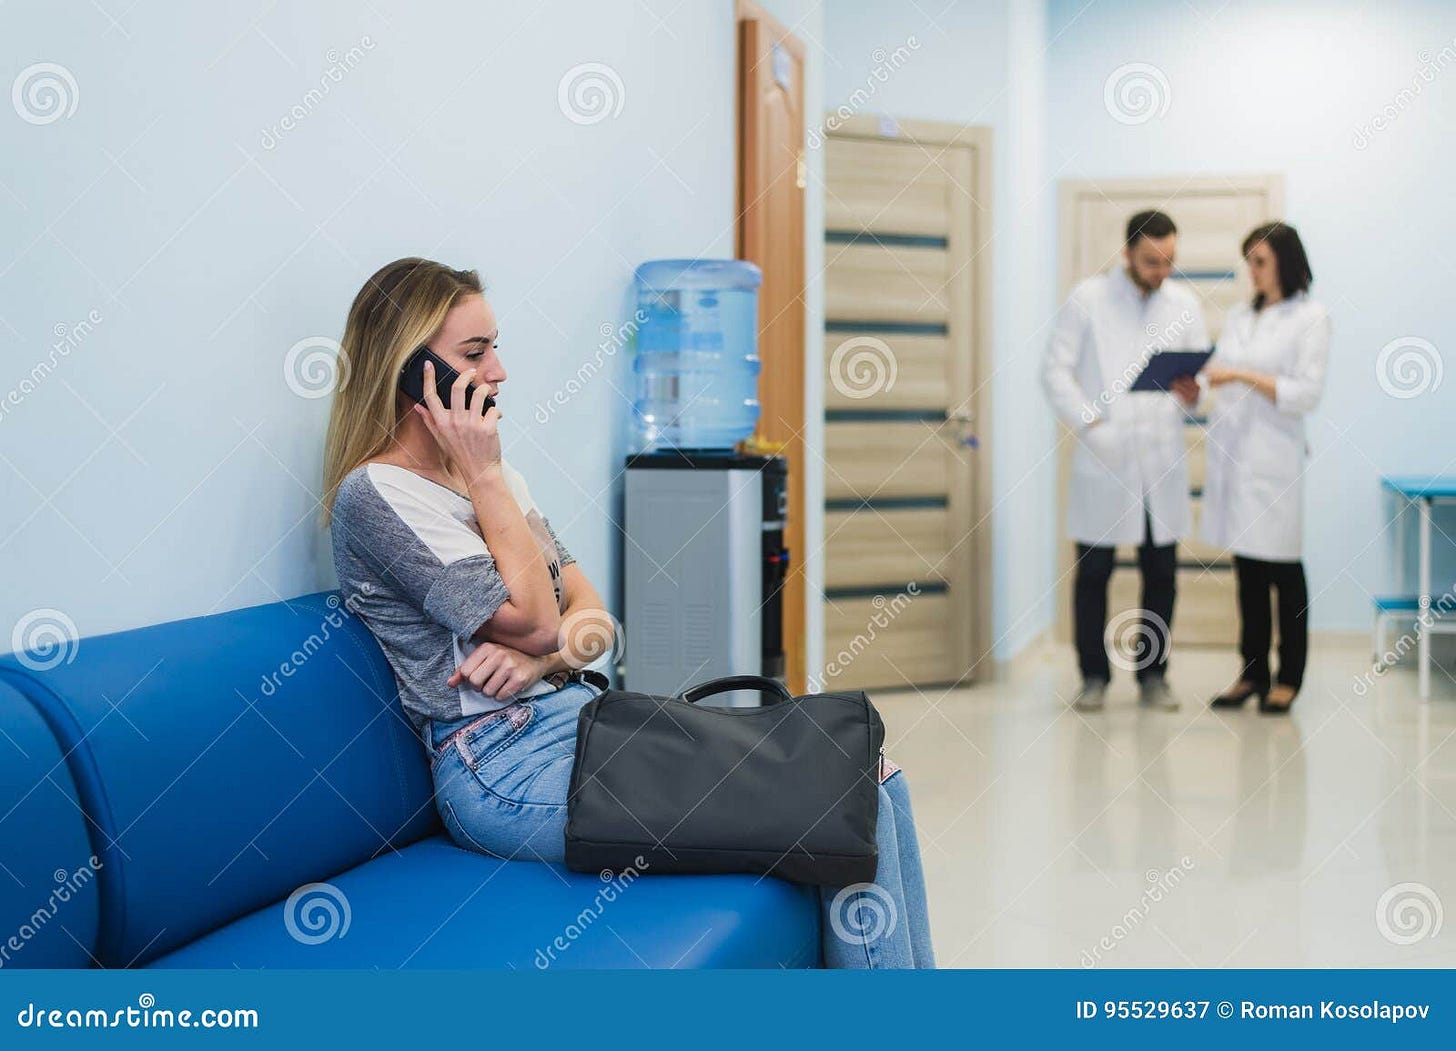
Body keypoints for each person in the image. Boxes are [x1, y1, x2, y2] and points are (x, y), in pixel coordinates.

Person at [320, 257, 935, 968]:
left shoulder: (496, 479)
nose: (499, 372)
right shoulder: (381, 495)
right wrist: (490, 484)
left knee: (872, 774)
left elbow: (594, 619)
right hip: (500, 767)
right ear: (411, 373)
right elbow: (545, 617)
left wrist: (540, 658)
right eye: (475, 352)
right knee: (834, 797)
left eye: (495, 346)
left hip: (584, 720)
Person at [1042, 210, 1209, 712]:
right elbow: (1056, 372)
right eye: (1152, 261)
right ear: (1128, 254)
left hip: (1160, 457)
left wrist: (1194, 392)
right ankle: (1093, 676)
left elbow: (1200, 386)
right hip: (1105, 457)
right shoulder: (1087, 298)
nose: (1162, 272)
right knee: (1094, 574)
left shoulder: (1183, 303)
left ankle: (1153, 675)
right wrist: (1093, 422)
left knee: (1162, 575)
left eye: (1169, 262)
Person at [1200, 223, 1330, 714]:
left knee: (1283, 571)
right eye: (1249, 262)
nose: (1251, 272)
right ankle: (1252, 674)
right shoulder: (1239, 315)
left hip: (1275, 460)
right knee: (1248, 571)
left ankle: (1288, 677)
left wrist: (1241, 375)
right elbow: (1216, 371)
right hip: (1236, 458)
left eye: (1260, 262)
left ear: (1284, 262)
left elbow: (1305, 393)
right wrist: (1201, 383)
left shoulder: (1312, 318)